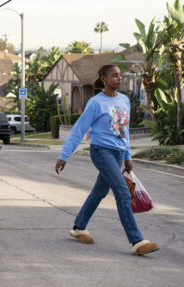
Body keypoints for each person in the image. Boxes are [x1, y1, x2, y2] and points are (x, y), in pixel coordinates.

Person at [55, 64, 159, 255]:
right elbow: (79, 129)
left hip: (119, 153)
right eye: (114, 75)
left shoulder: (124, 100)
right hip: (102, 152)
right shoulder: (96, 102)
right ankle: (137, 241)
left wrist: (127, 156)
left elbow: (124, 131)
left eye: (120, 75)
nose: (119, 78)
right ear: (104, 79)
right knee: (122, 192)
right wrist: (64, 155)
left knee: (99, 192)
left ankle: (79, 227)